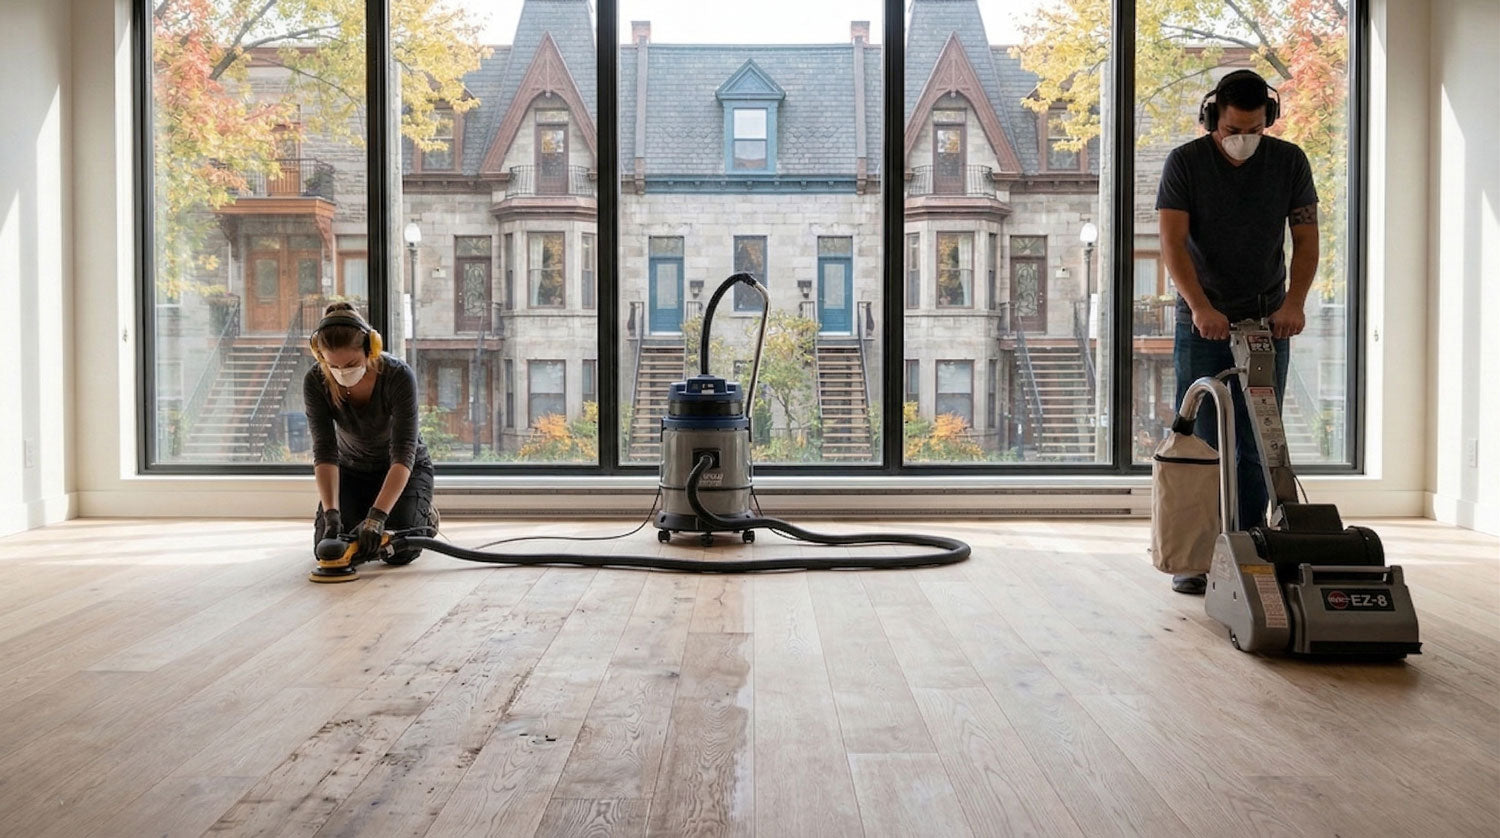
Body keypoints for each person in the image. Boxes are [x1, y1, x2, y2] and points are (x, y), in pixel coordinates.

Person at [1156, 69, 1319, 594]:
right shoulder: (1185, 162)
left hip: (1269, 315)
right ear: (1212, 120)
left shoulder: (1289, 161)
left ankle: (1250, 547)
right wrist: (1200, 306)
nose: (1243, 139)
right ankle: (1199, 555)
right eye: (1232, 129)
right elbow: (1173, 245)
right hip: (1202, 316)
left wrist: (1294, 302)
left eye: (1254, 129)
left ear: (1267, 120)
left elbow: (1306, 240)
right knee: (1203, 438)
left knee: (1256, 439)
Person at [305, 302, 438, 565]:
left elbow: (404, 453)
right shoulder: (315, 381)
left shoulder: (397, 376)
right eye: (334, 366)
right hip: (351, 471)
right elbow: (325, 452)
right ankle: (359, 515)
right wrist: (332, 514)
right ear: (322, 358)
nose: (342, 372)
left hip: (401, 469)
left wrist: (377, 518)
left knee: (401, 551)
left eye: (351, 363)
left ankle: (424, 515)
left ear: (371, 349)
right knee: (330, 547)